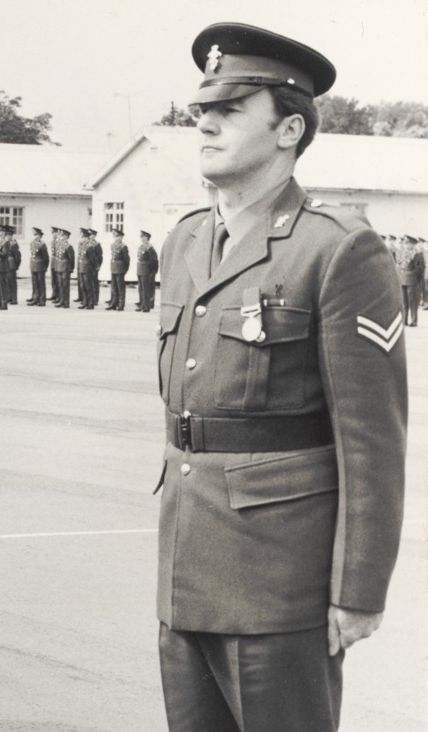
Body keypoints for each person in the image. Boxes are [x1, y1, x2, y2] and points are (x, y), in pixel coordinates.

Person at [154, 23, 407, 731]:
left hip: (277, 583)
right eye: (203, 107)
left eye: (230, 109)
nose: (204, 121)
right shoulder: (185, 241)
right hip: (186, 569)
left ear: (290, 128)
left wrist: (358, 589)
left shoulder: (338, 250)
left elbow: (372, 441)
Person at [394, 235, 423, 327]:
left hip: (411, 280)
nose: (405, 245)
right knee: (404, 301)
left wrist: (415, 279)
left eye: (407, 243)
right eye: (405, 243)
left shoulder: (416, 254)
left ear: (412, 244)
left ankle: (414, 320)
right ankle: (404, 320)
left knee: (412, 302)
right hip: (403, 279)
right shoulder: (403, 253)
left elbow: (419, 269)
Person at [107, 228, 130, 311]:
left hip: (120, 268)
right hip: (113, 267)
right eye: (115, 236)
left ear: (121, 237)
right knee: (114, 287)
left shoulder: (123, 246)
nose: (116, 238)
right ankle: (113, 303)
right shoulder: (113, 245)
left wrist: (125, 269)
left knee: (120, 288)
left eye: (117, 236)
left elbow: (126, 259)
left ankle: (121, 304)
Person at [134, 230, 158, 312]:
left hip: (146, 270)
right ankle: (142, 304)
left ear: (148, 238)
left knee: (146, 289)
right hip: (140, 269)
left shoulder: (150, 248)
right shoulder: (141, 247)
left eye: (144, 237)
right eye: (141, 237)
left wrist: (152, 272)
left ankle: (147, 306)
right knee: (141, 289)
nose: (142, 239)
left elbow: (154, 261)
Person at [27, 226, 49, 306]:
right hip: (33, 265)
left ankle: (42, 300)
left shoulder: (42, 244)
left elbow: (46, 257)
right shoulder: (32, 243)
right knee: (34, 283)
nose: (36, 237)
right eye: (35, 235)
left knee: (41, 283)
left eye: (37, 235)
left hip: (40, 266)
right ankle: (35, 298)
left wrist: (45, 267)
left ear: (40, 235)